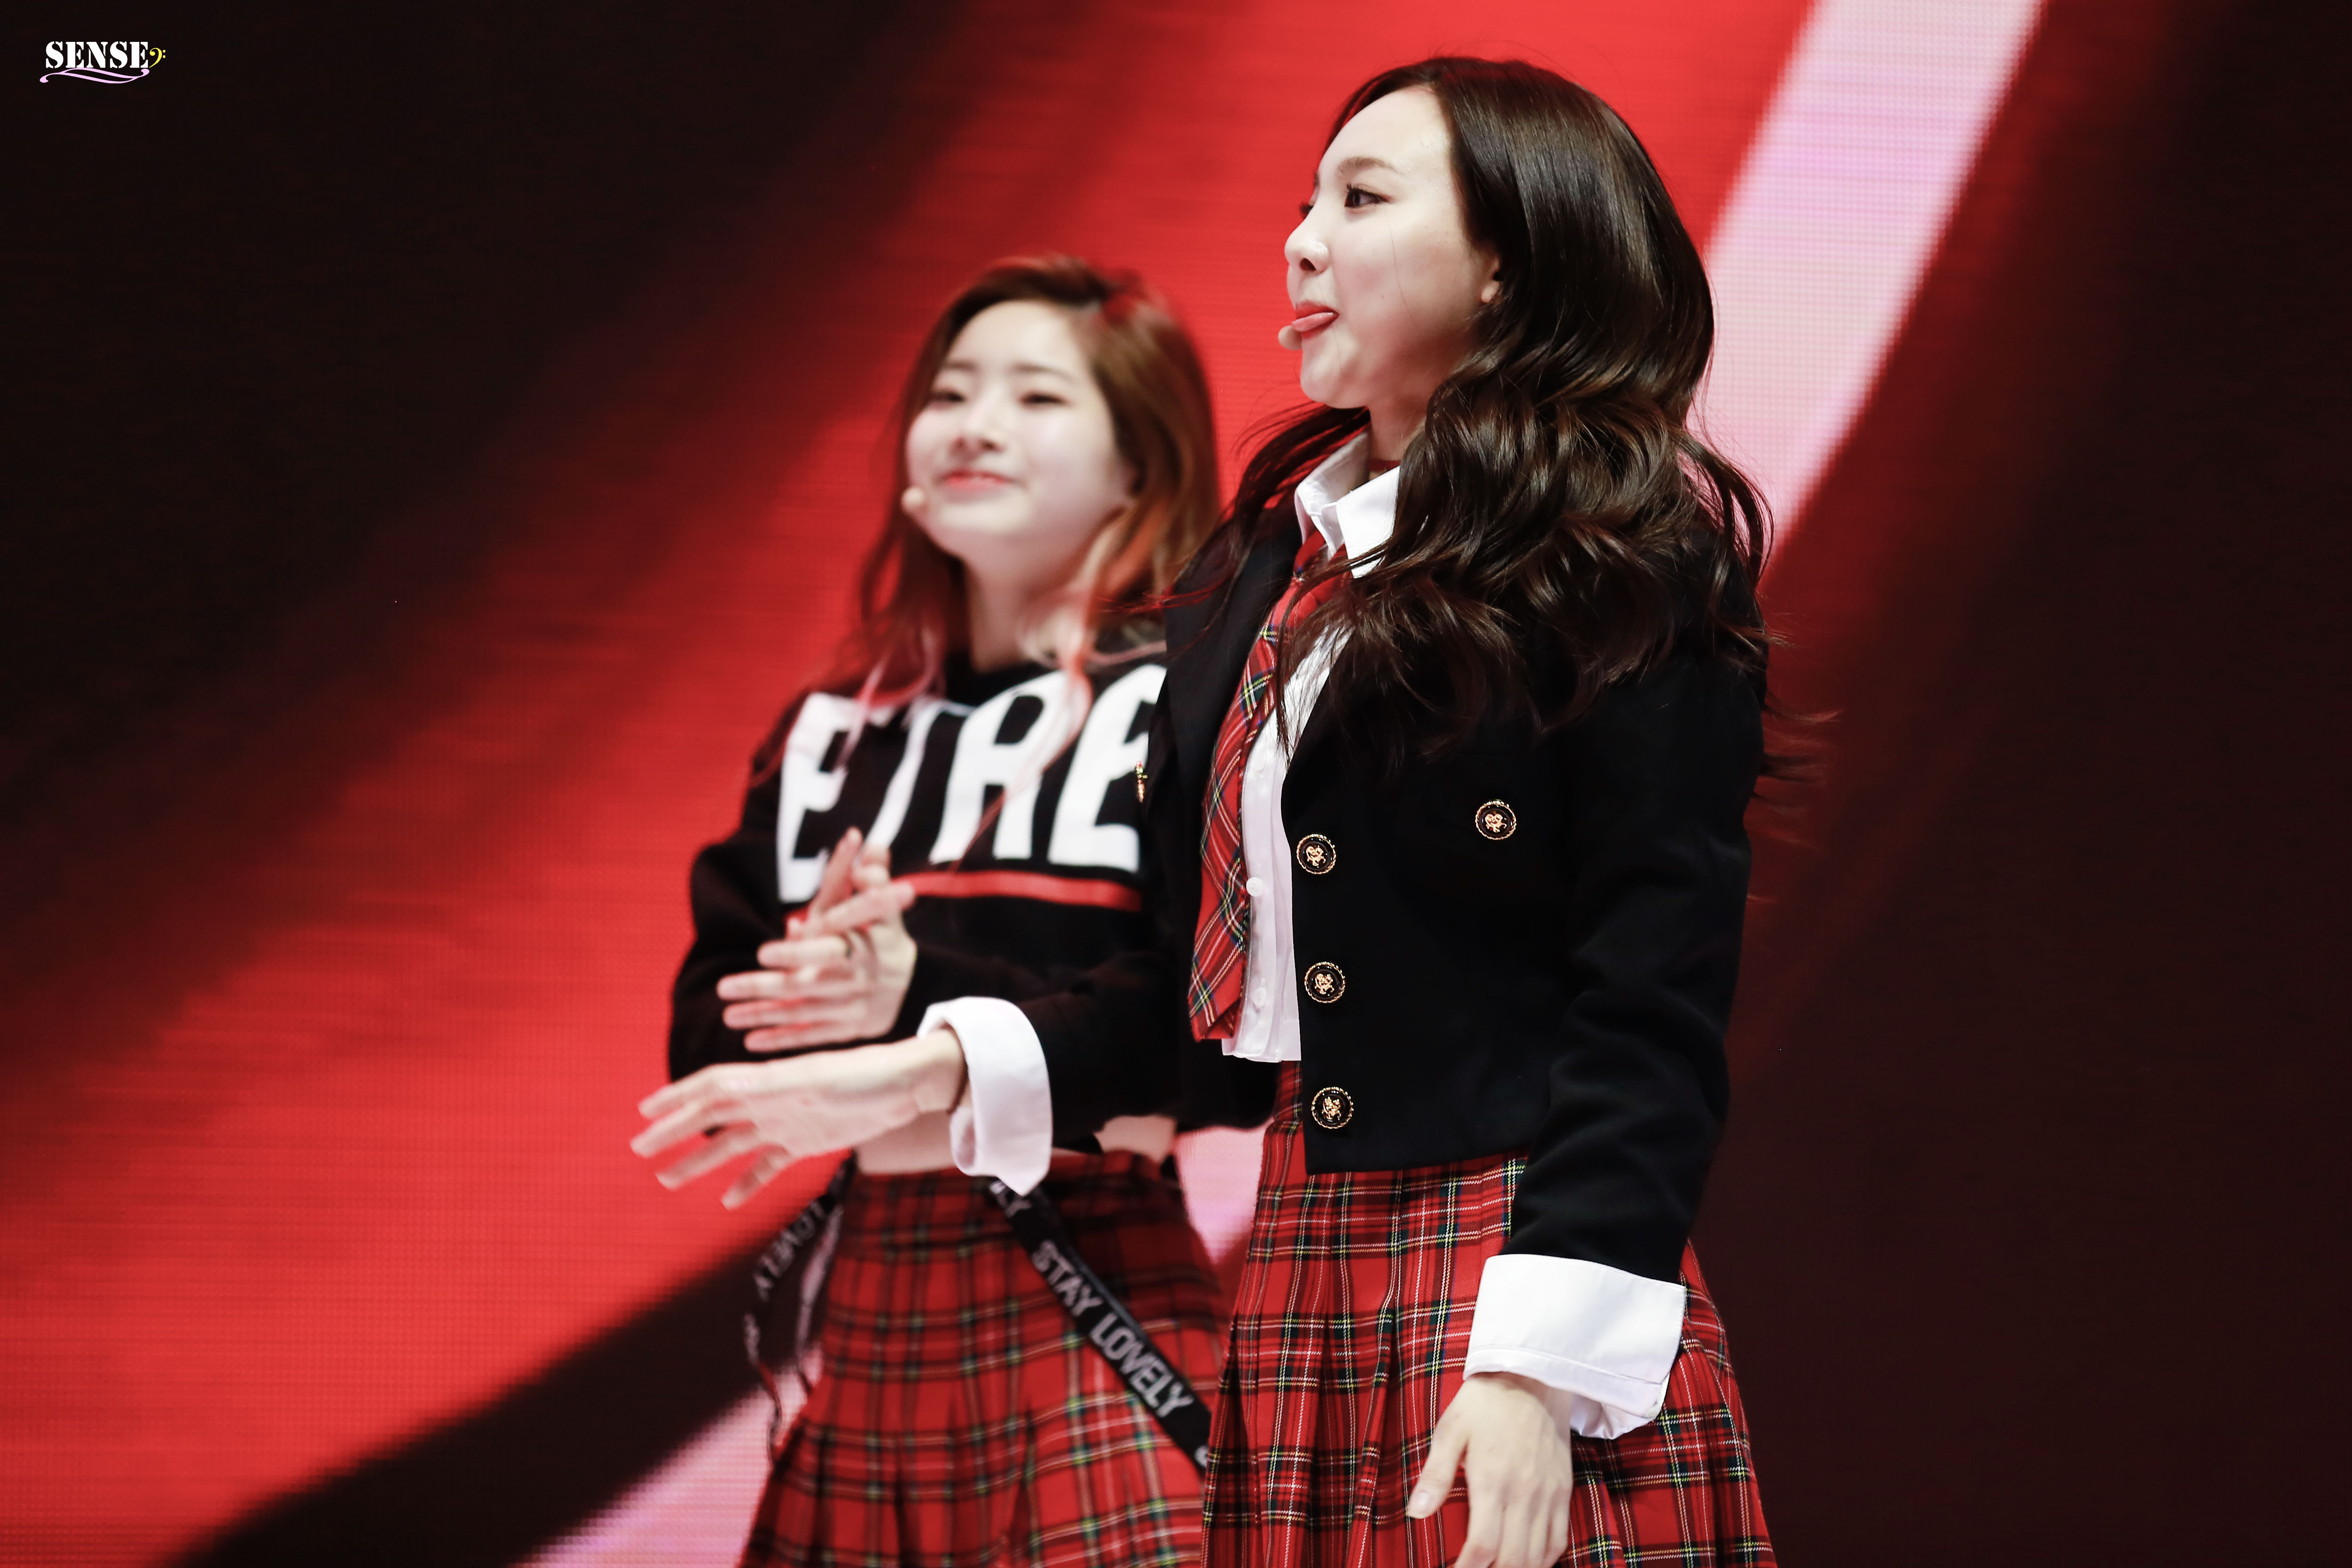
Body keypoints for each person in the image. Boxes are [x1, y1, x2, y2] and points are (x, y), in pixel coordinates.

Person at [639, 57, 1780, 1568]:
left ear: (1504, 261)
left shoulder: (1622, 564)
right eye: (1302, 202)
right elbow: (1199, 1014)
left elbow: (1647, 999)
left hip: (1510, 1263)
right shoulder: (1257, 580)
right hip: (1303, 1272)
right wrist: (910, 1060)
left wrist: (1536, 1365)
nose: (1300, 242)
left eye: (1360, 200)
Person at [635, 256, 1228, 1568]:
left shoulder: (1185, 706)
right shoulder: (833, 732)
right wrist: (836, 997)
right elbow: (709, 1038)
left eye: (1036, 397)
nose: (974, 425)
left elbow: (1204, 1032)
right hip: (873, 1293)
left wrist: (907, 994)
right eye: (950, 394)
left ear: (1139, 465)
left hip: (1099, 1273)